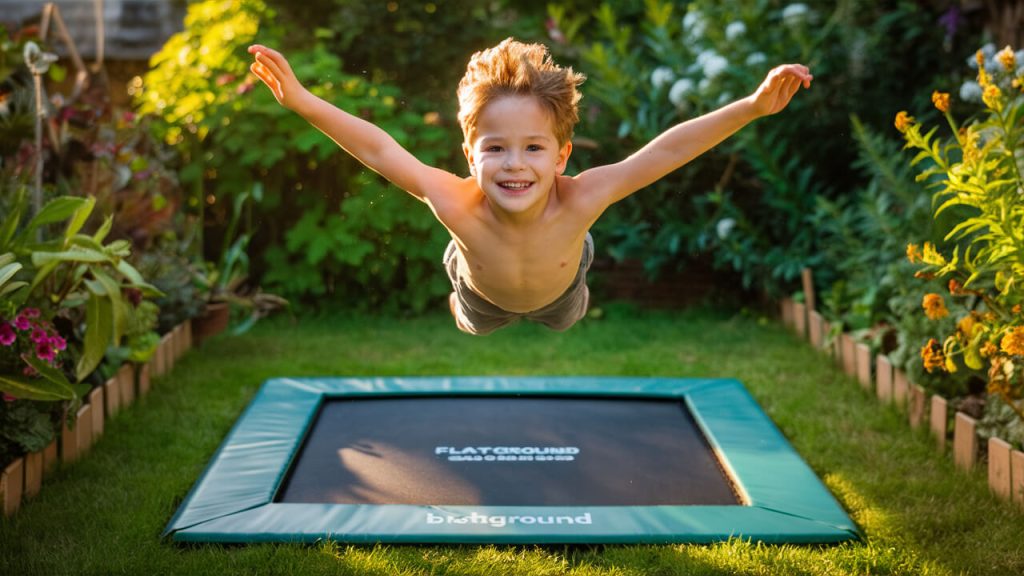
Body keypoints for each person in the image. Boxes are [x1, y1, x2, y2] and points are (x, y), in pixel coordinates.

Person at [247, 38, 812, 335]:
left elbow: (667, 150)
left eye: (534, 148)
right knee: (471, 318)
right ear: (471, 155)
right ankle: (458, 279)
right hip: (481, 294)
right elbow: (378, 148)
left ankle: (573, 267)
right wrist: (301, 99)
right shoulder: (455, 201)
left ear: (562, 155)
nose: (513, 164)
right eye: (495, 148)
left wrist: (752, 107)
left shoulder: (582, 196)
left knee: (569, 305)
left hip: (562, 292)